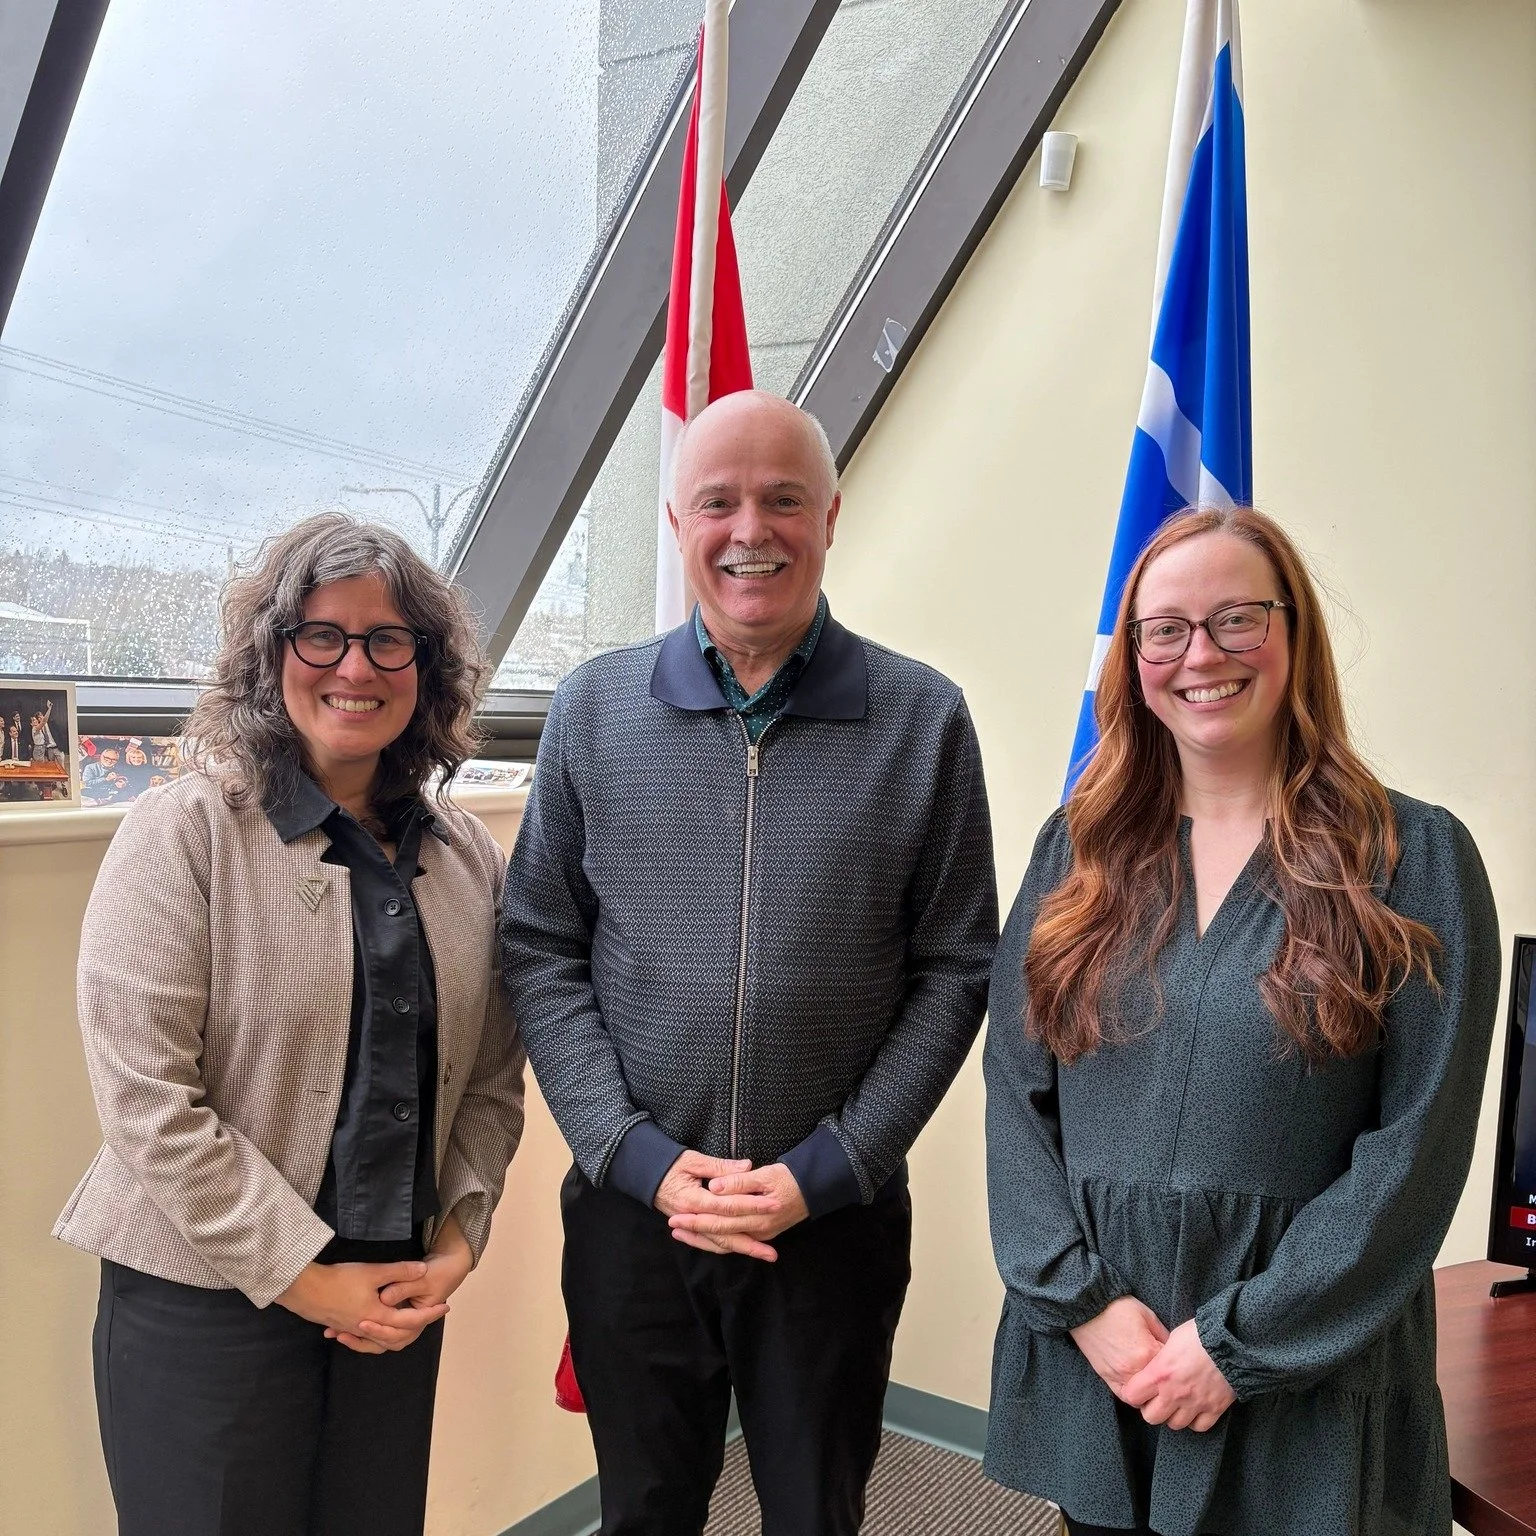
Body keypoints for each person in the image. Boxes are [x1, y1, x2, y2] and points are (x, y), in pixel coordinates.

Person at [500, 390, 998, 1536]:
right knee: (646, 1513)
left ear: (831, 516)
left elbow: (957, 965)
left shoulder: (924, 720)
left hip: (828, 1223)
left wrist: (832, 1168)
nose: (750, 531)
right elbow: (540, 946)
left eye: (782, 500)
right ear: (678, 524)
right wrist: (631, 1153)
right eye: (717, 502)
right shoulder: (590, 711)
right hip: (638, 1218)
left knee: (816, 1516)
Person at [983, 506, 1500, 1536]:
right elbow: (1015, 1096)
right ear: (1133, 662)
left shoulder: (1414, 859)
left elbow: (1417, 1150)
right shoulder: (1075, 853)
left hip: (1305, 1362)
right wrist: (1083, 1306)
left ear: (1294, 634)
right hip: (1113, 1358)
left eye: (1237, 620)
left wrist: (1236, 1344)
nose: (1200, 655)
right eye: (1164, 629)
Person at [55, 513, 527, 1536]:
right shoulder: (181, 835)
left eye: (388, 639)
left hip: (393, 1299)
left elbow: (493, 1074)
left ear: (427, 667)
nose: (355, 665)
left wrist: (459, 1238)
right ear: (272, 655)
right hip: (207, 1304)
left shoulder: (466, 856)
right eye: (322, 634)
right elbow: (149, 1106)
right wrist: (306, 1282)